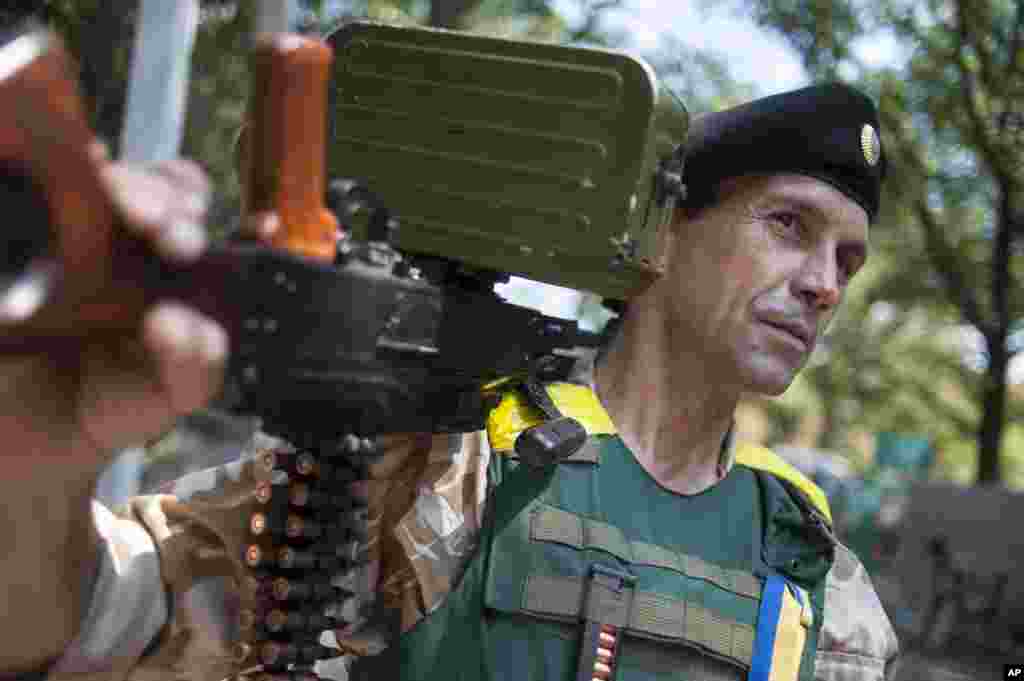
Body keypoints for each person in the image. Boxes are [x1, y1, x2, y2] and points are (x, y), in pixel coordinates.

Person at [0, 83, 899, 681]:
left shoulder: (814, 572)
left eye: (846, 261)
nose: (824, 282)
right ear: (663, 235)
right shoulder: (450, 467)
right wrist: (39, 460)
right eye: (789, 225)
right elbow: (105, 619)